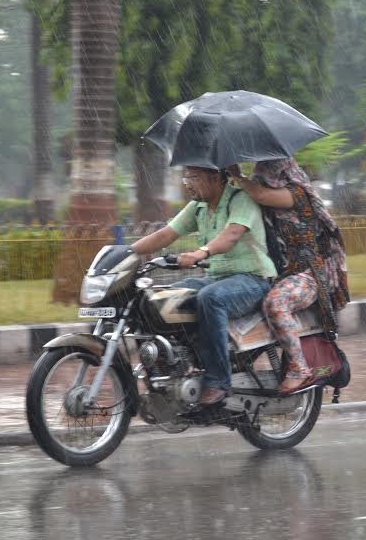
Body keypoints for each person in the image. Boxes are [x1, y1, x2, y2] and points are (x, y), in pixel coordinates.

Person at [130, 166, 277, 405]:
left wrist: (201, 252)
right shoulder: (197, 207)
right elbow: (166, 234)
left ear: (216, 178)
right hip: (218, 278)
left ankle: (218, 381)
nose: (187, 183)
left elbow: (231, 235)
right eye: (186, 177)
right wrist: (126, 252)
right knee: (159, 299)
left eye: (194, 178)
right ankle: (177, 367)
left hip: (253, 279)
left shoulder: (241, 200)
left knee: (211, 298)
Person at [228, 159, 350, 395]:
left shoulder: (297, 194)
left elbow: (262, 195)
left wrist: (238, 176)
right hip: (277, 273)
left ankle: (298, 368)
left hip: (306, 274)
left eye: (266, 171)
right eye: (259, 172)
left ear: (283, 172)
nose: (260, 175)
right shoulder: (260, 196)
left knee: (276, 303)